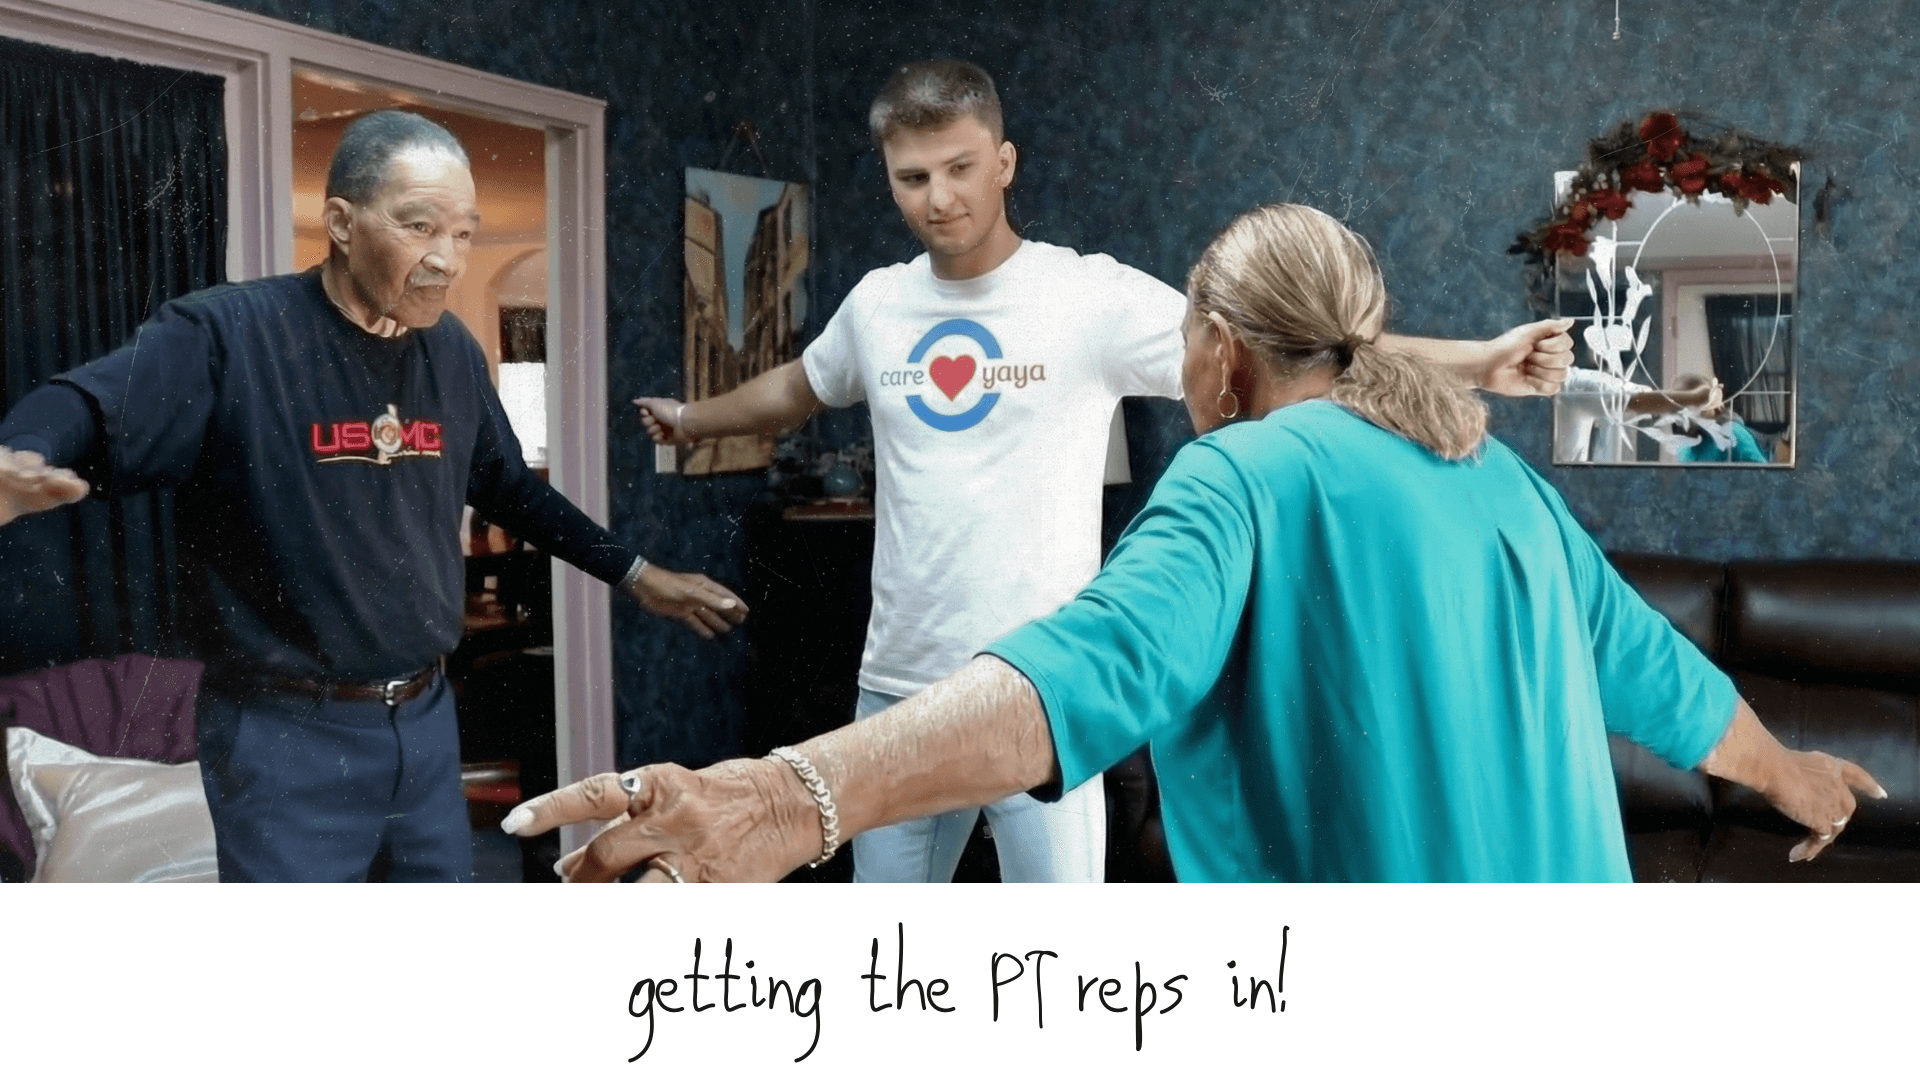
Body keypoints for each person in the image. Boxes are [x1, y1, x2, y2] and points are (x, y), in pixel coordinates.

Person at [505, 203, 1881, 883]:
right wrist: (1806, 782)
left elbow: (1073, 678)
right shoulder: (1500, 480)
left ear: (1215, 352)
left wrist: (782, 797)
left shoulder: (1242, 474)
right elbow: (1677, 692)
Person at [632, 60, 1575, 883]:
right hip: (901, 688)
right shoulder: (877, 306)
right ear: (889, 179)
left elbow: (1293, 347)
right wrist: (692, 418)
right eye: (912, 176)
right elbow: (799, 387)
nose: (940, 196)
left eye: (961, 167)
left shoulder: (1087, 294)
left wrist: (1479, 359)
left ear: (1003, 162)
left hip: (1047, 690)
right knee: (888, 944)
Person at [0, 110, 747, 882]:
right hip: (282, 734)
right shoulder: (230, 335)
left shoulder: (452, 351)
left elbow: (512, 490)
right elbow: (82, 405)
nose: (447, 260)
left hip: (422, 726)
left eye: (464, 233)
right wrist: (15, 457)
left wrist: (634, 573)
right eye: (420, 226)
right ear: (342, 224)